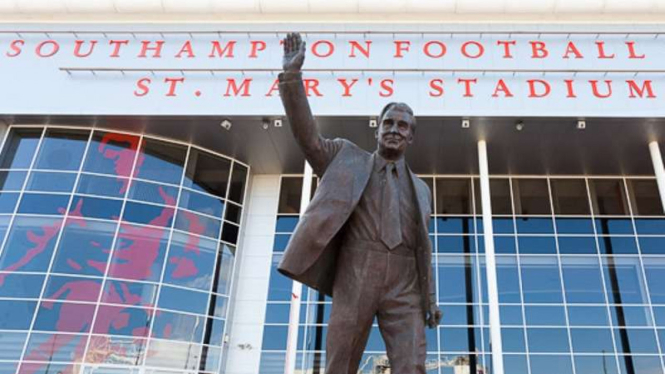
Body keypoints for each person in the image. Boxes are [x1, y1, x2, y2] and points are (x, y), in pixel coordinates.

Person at [277, 32, 442, 373]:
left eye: (402, 125)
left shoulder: (422, 189)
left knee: (412, 364)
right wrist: (292, 79)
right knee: (341, 362)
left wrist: (430, 297)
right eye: (388, 123)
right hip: (357, 269)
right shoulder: (345, 157)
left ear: (411, 136)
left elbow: (423, 248)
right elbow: (307, 137)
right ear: (377, 130)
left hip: (405, 281)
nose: (394, 129)